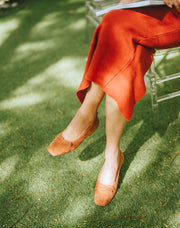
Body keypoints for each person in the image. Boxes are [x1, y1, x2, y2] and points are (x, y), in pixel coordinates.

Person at [47, 0, 180, 206]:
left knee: (118, 29)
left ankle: (89, 116)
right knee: (116, 26)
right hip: (160, 7)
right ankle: (111, 154)